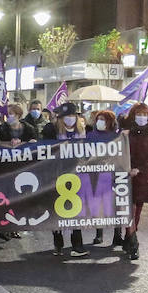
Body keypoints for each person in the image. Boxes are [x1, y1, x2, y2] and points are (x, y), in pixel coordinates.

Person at [123, 102, 148, 261]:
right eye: (139, 114)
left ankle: (130, 235)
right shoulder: (127, 132)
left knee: (137, 208)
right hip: (126, 175)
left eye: (144, 114)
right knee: (128, 208)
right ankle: (133, 243)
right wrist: (128, 168)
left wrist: (139, 169)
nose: (141, 117)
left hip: (143, 176)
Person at [51, 103, 88, 258]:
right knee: (57, 210)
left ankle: (77, 245)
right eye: (66, 116)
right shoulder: (52, 131)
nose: (70, 119)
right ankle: (58, 244)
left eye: (73, 116)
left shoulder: (84, 132)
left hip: (76, 176)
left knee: (76, 210)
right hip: (57, 175)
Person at [88, 109, 124, 247]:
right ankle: (99, 234)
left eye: (103, 119)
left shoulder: (116, 137)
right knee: (99, 205)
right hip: (96, 174)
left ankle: (117, 234)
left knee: (116, 206)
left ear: (109, 122)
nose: (100, 122)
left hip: (113, 175)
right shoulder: (90, 136)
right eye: (98, 119)